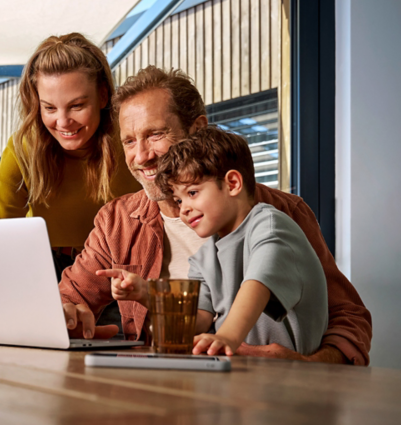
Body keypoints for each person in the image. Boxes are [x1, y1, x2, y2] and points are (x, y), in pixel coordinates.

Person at [59, 66, 372, 365]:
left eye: (155, 134)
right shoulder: (119, 222)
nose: (141, 156)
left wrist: (309, 366)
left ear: (196, 130)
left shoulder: (278, 216)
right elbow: (193, 311)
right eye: (129, 140)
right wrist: (136, 294)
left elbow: (339, 312)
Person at [115, 126, 329, 357]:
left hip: (292, 378)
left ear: (232, 184)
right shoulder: (204, 257)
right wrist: (147, 294)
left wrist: (226, 338)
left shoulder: (271, 227)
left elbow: (257, 284)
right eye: (178, 200)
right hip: (238, 372)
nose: (184, 209)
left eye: (192, 193)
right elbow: (197, 320)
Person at [0, 33, 140, 279]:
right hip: (46, 265)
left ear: (103, 96)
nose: (63, 122)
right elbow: (0, 234)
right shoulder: (23, 148)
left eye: (77, 106)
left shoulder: (130, 140)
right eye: (49, 107)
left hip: (121, 263)